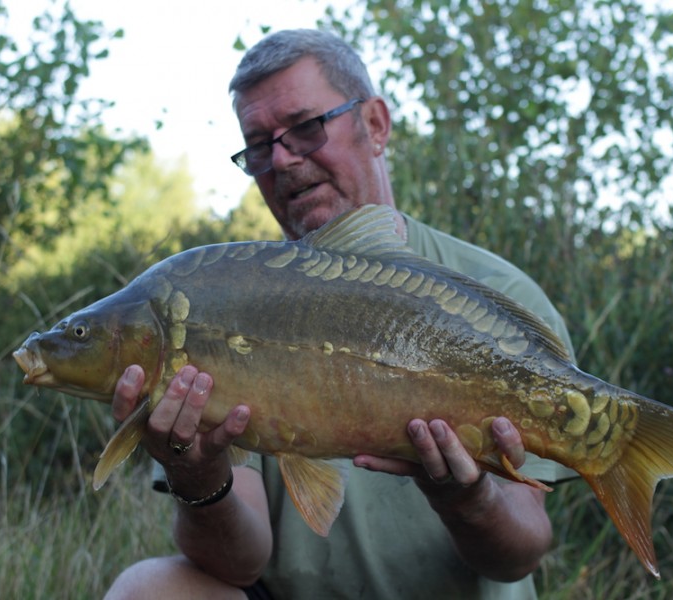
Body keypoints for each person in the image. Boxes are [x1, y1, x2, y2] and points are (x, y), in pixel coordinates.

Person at [104, 29, 576, 600]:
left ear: (375, 125)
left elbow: (520, 553)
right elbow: (237, 564)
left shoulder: (497, 293)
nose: (282, 159)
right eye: (258, 146)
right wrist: (196, 476)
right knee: (147, 591)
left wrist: (468, 498)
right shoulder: (224, 302)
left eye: (306, 128)